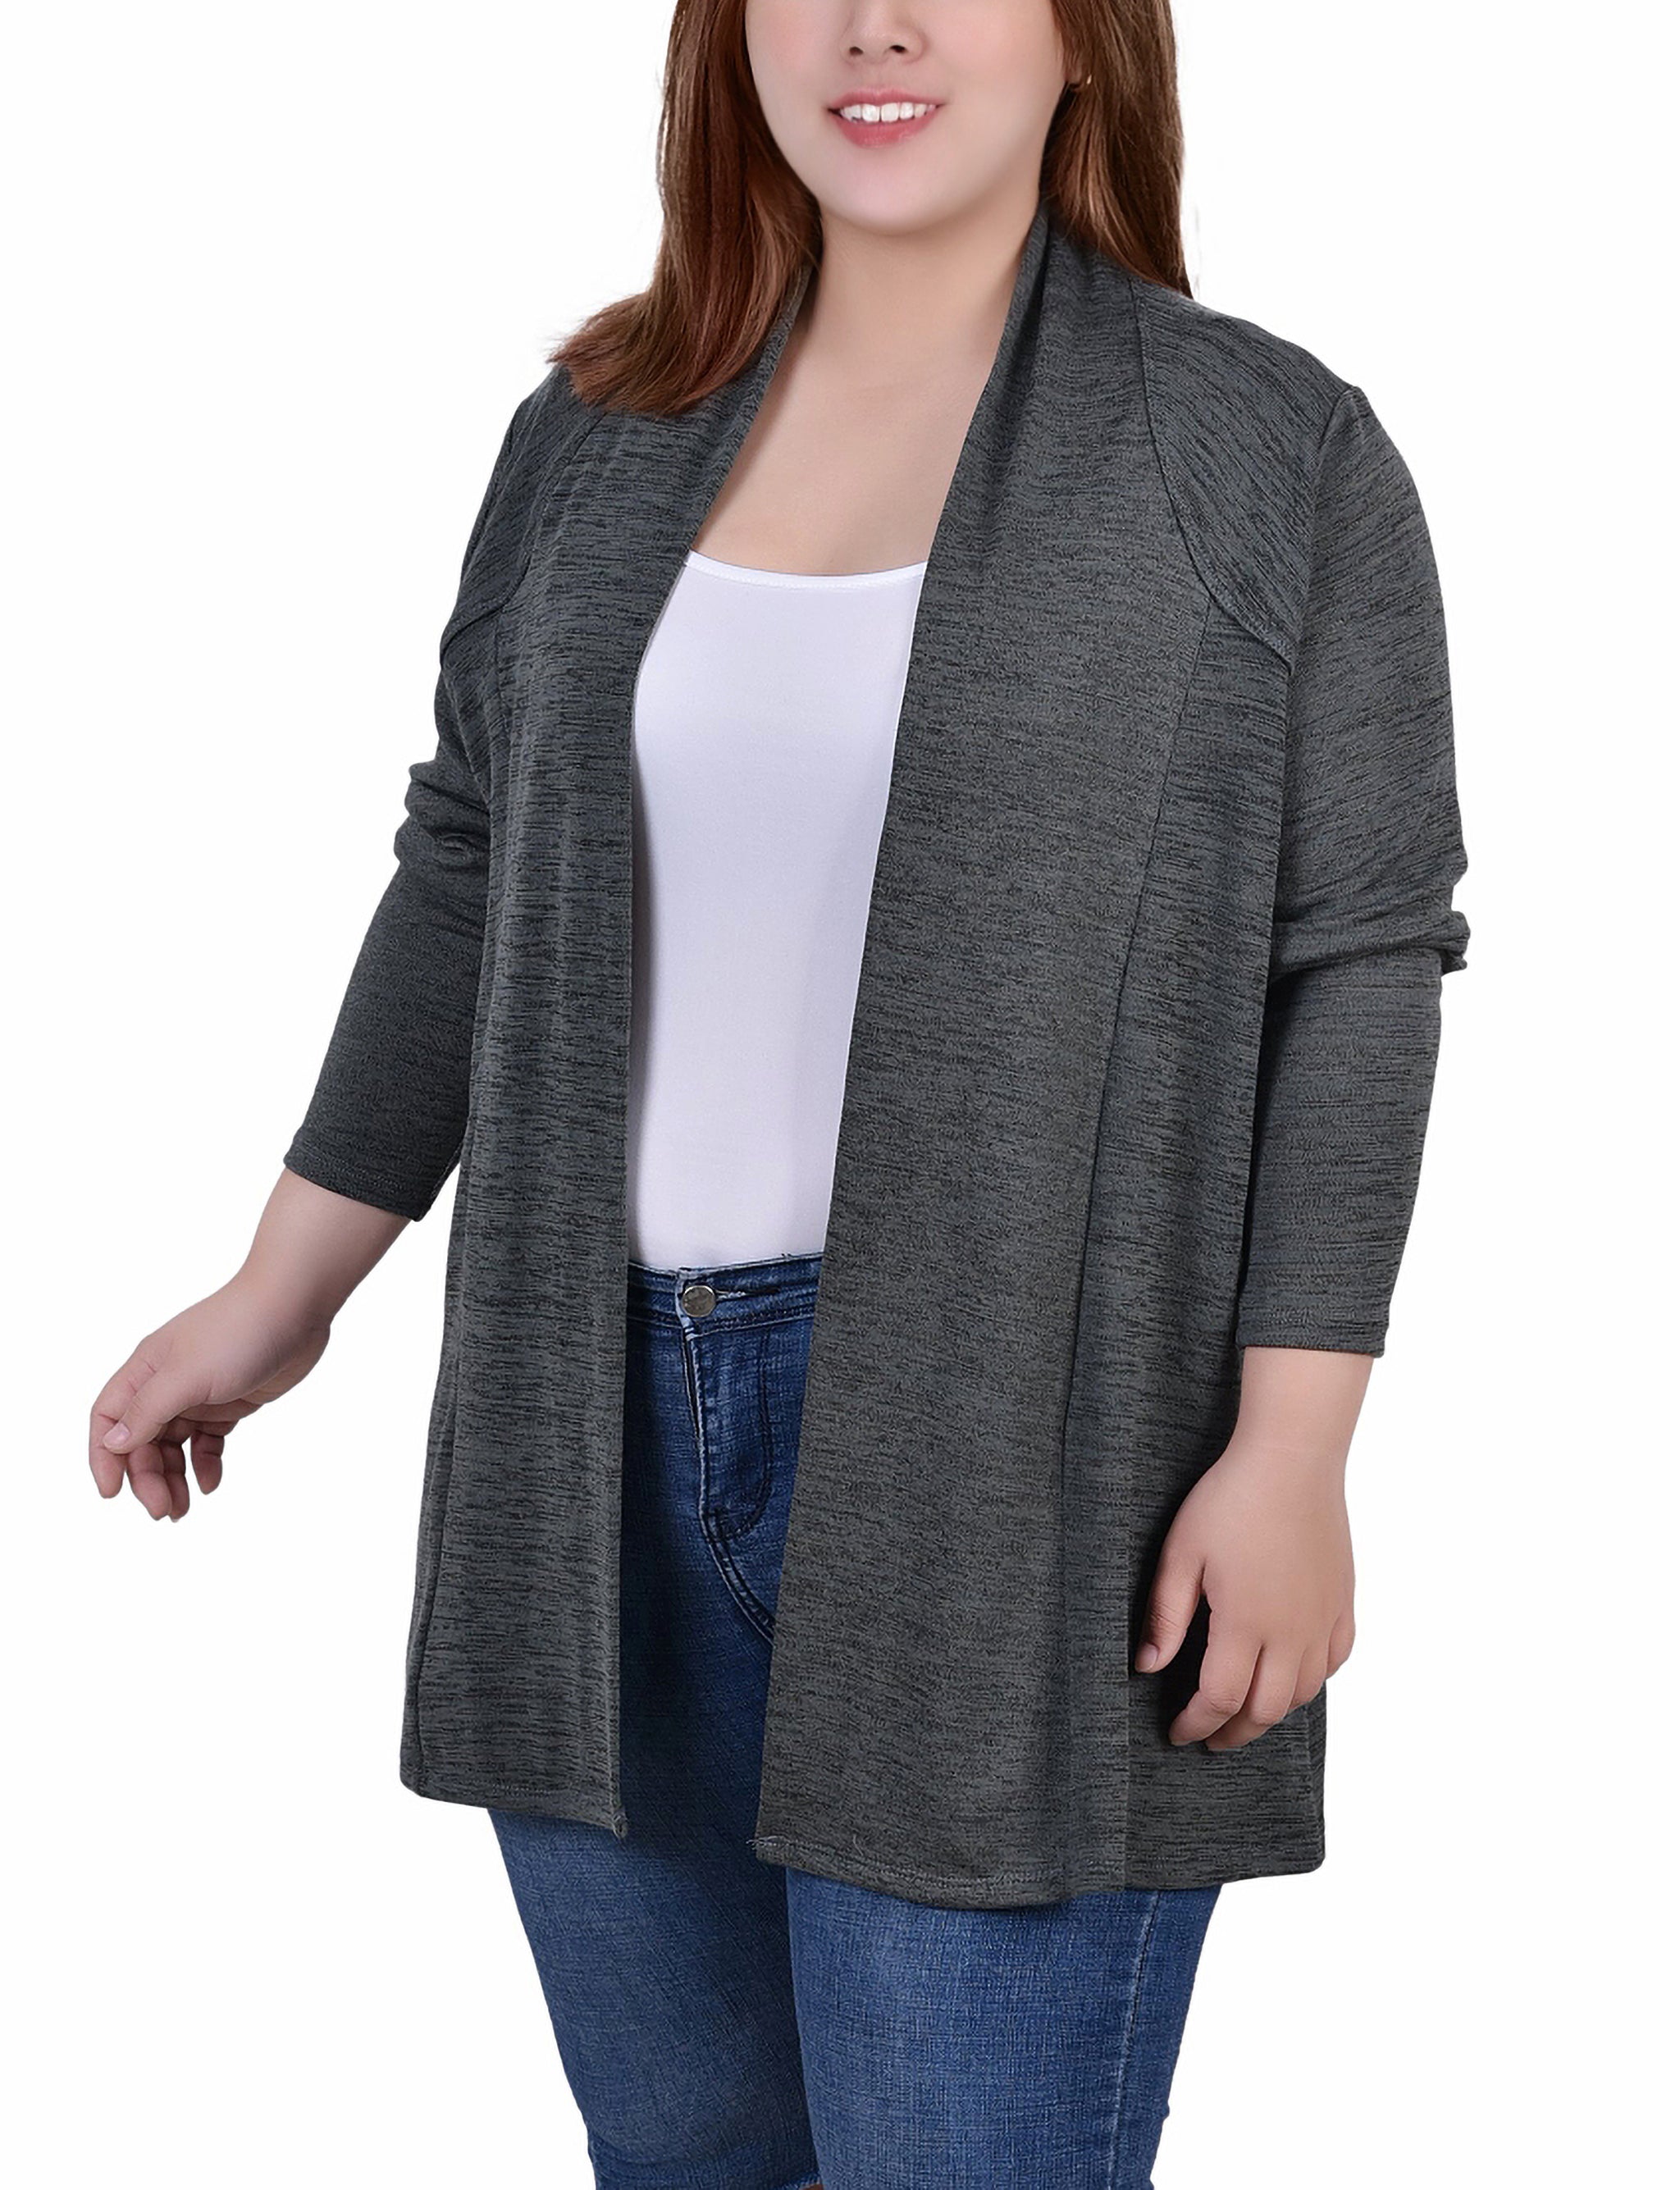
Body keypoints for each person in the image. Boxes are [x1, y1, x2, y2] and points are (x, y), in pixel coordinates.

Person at [88, 2, 1471, 2184]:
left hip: (1024, 1461)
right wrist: (283, 1288)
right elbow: (470, 858)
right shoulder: (597, 432)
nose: (873, 25)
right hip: (587, 1437)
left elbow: (1359, 960)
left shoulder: (1263, 451)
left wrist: (1296, 1446)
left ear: (1087, 37)